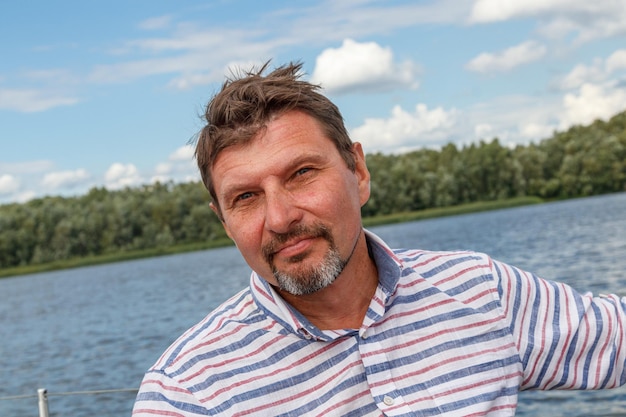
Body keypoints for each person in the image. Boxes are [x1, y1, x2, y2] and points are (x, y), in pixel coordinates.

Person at [133, 62, 626, 416]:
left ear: (359, 171)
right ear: (224, 222)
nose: (280, 218)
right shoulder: (187, 393)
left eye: (302, 173)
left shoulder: (479, 290)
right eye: (245, 197)